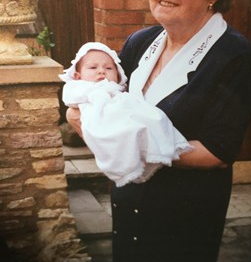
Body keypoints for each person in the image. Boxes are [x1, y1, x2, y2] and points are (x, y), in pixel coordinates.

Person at [67, 0, 251, 262]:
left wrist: (140, 144)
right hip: (129, 206)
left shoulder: (233, 55)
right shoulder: (140, 43)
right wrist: (85, 117)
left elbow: (218, 152)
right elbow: (110, 110)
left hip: (183, 220)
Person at [60, 42, 192, 187]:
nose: (101, 71)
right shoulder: (79, 87)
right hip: (102, 115)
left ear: (118, 76)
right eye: (93, 67)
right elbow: (73, 99)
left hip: (123, 112)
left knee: (152, 119)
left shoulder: (120, 92)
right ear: (78, 76)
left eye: (109, 68)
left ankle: (157, 146)